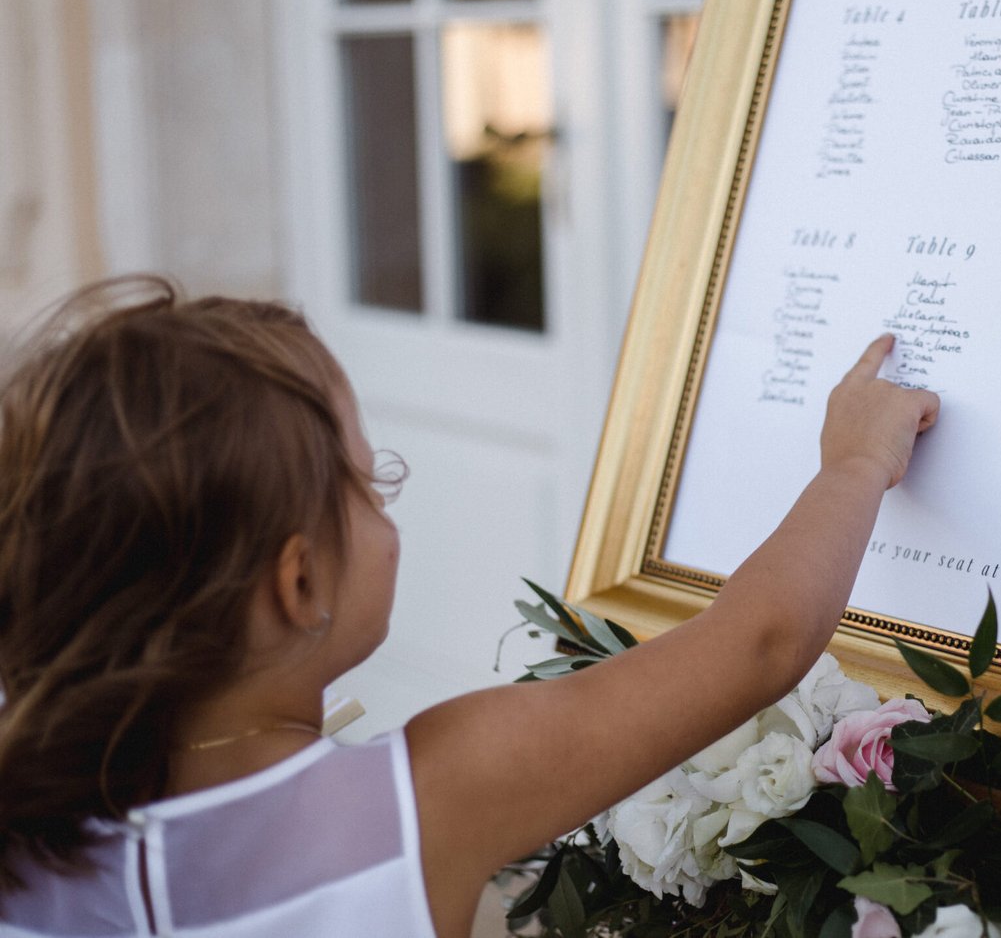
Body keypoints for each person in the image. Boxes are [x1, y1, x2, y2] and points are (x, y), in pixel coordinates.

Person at [0, 277, 939, 938]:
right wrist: (856, 464)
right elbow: (759, 642)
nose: (387, 503)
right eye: (373, 486)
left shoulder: (28, 838)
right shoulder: (433, 794)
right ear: (297, 584)